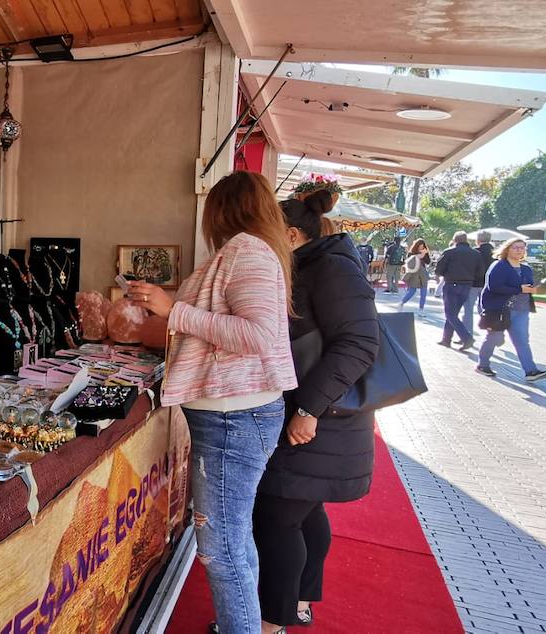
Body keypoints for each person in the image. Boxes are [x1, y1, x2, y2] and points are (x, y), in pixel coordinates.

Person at [128, 171, 297, 634]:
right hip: (232, 418)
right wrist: (169, 308)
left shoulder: (248, 252)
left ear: (222, 210)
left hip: (234, 419)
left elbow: (258, 337)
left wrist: (174, 309)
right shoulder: (244, 253)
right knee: (233, 539)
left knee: (221, 546)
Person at [253, 190, 379, 633]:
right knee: (302, 512)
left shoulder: (331, 268)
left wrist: (308, 408)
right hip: (321, 417)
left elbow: (360, 343)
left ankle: (271, 622)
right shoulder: (316, 263)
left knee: (276, 516)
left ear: (290, 234)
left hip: (320, 418)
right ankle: (300, 604)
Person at [477, 238, 546, 381]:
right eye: (515, 247)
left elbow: (527, 286)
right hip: (500, 309)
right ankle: (482, 365)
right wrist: (519, 288)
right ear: (507, 249)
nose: (519, 250)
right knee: (494, 338)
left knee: (522, 340)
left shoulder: (526, 268)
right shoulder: (499, 266)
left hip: (521, 310)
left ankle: (531, 371)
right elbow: (494, 287)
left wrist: (532, 289)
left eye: (522, 248)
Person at [434, 231, 487, 349]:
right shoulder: (475, 254)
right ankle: (446, 339)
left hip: (451, 284)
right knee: (453, 313)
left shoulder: (449, 252)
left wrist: (446, 274)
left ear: (455, 240)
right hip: (467, 285)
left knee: (450, 313)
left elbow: (439, 269)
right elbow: (480, 271)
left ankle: (466, 338)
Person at [466, 231, 493, 341]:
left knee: (468, 310)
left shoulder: (474, 252)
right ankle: (491, 331)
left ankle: (467, 335)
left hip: (474, 283)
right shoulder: (495, 252)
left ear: (478, 240)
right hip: (488, 285)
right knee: (484, 309)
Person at [397, 239, 430, 312]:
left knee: (423, 293)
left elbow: (428, 261)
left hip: (423, 274)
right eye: (420, 246)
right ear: (416, 246)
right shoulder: (411, 253)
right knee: (412, 291)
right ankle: (402, 303)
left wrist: (424, 254)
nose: (421, 248)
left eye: (422, 246)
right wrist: (420, 255)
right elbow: (409, 262)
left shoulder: (425, 252)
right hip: (414, 274)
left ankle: (421, 309)